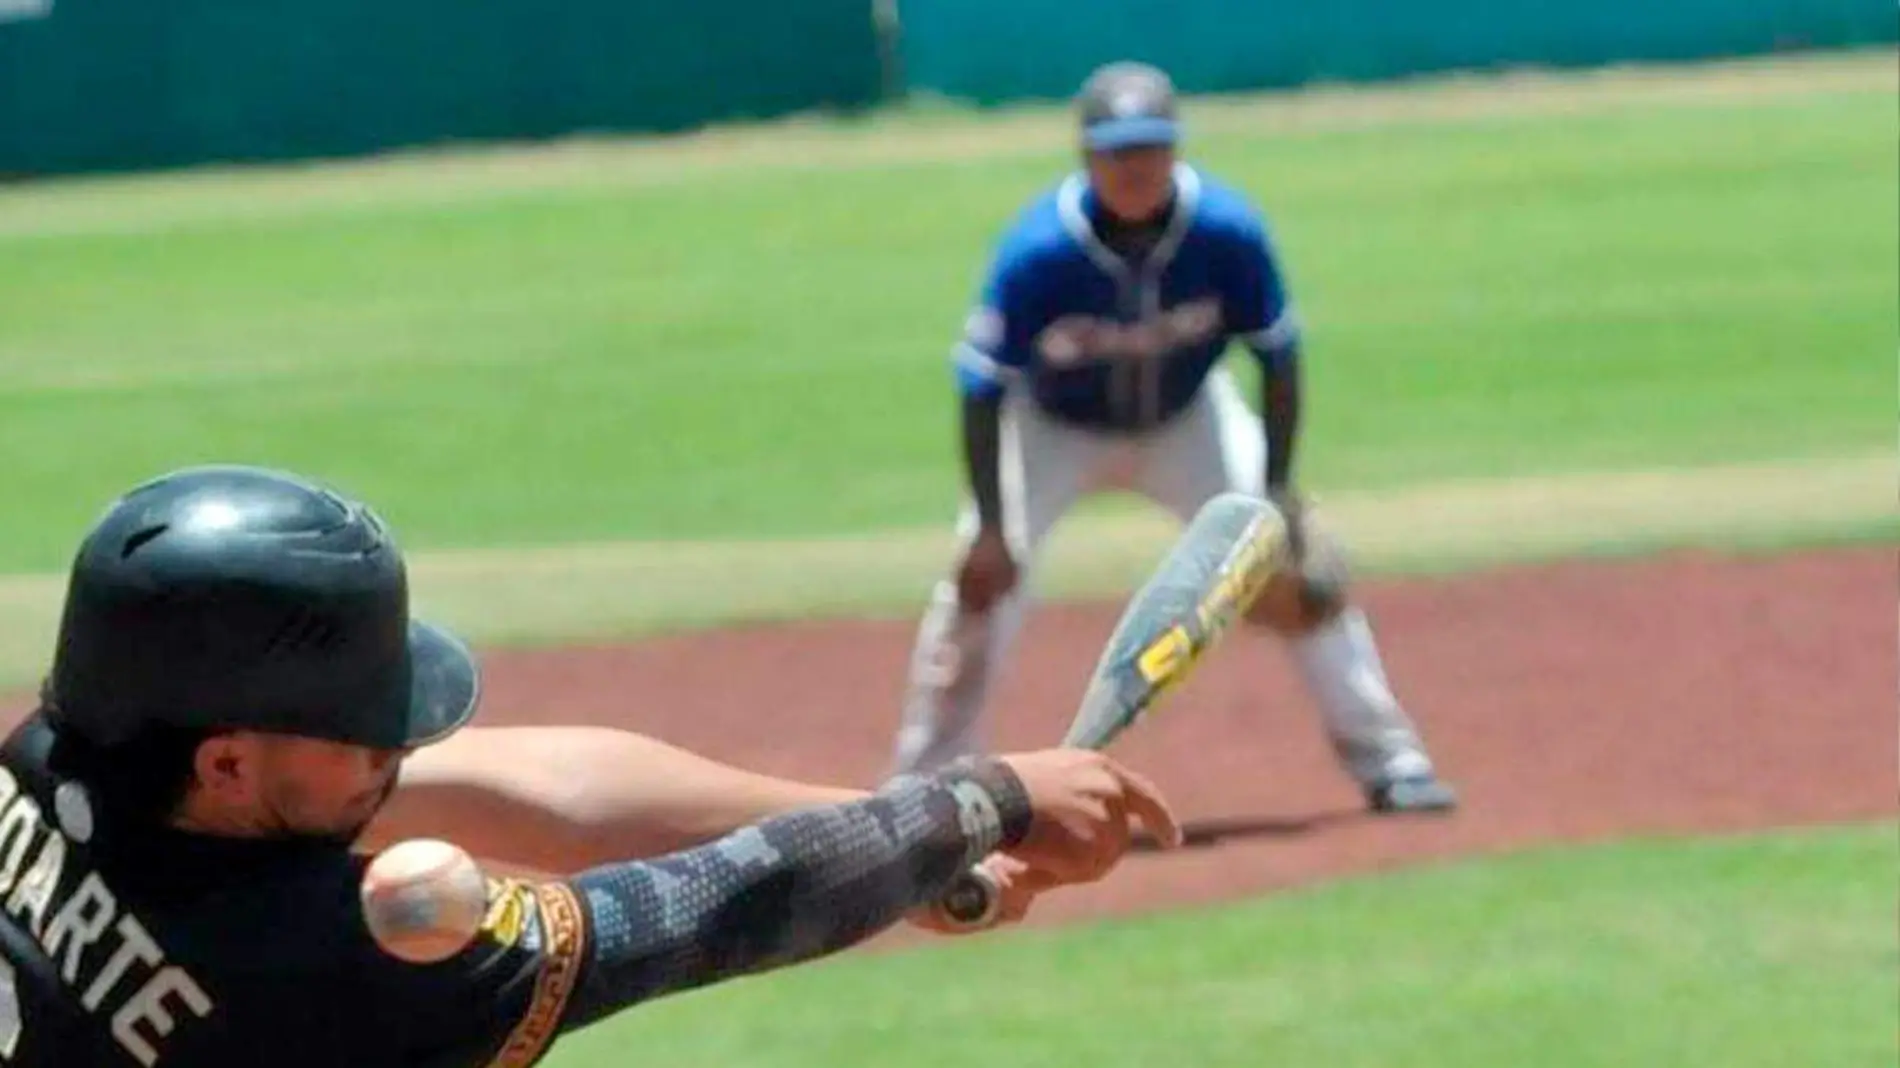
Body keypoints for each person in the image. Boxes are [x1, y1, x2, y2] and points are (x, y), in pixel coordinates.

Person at [0, 463, 1178, 1066]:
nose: (396, 746)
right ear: (230, 762)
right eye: (363, 730)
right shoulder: (329, 964)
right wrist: (983, 799)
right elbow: (703, 912)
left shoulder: (76, 753)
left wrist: (894, 839)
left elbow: (547, 784)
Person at [889, 60, 1458, 814]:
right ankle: (918, 793)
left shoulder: (1226, 230)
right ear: (1087, 156)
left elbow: (1278, 358)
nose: (1137, 166)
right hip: (1050, 430)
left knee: (1300, 579)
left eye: (1152, 147)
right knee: (976, 594)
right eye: (1120, 149)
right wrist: (992, 527)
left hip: (1190, 421)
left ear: (1177, 148)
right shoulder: (1037, 252)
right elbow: (980, 388)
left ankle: (1393, 761)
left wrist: (1277, 495)